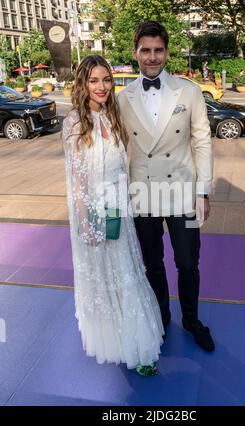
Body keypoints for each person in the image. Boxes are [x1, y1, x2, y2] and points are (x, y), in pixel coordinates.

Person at [62, 55, 164, 377]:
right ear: (83, 83)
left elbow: (124, 166)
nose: (102, 86)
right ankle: (118, 341)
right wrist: (87, 224)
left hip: (120, 210)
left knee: (127, 276)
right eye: (94, 80)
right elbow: (76, 182)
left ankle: (137, 344)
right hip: (92, 213)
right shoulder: (74, 124)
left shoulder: (113, 115)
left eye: (106, 79)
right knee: (104, 281)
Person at [118, 21, 215, 352]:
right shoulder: (122, 97)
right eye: (145, 50)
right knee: (152, 264)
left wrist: (203, 191)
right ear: (136, 53)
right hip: (141, 193)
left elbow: (202, 140)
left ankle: (191, 320)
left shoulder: (189, 92)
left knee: (189, 263)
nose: (152, 56)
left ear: (167, 53)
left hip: (184, 192)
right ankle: (159, 318)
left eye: (158, 50)